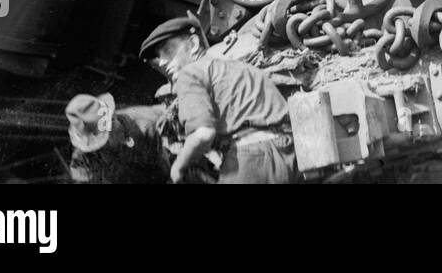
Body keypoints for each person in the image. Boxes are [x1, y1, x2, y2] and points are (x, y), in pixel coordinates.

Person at [139, 15, 298, 184]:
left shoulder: (190, 73)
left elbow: (203, 134)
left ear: (193, 44)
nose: (162, 62)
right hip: (289, 155)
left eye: (169, 51)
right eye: (159, 56)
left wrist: (178, 167)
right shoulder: (244, 69)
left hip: (251, 161)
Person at [64, 92, 171, 184]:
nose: (103, 146)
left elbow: (163, 173)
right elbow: (80, 178)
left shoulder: (146, 128)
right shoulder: (83, 156)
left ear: (113, 118)